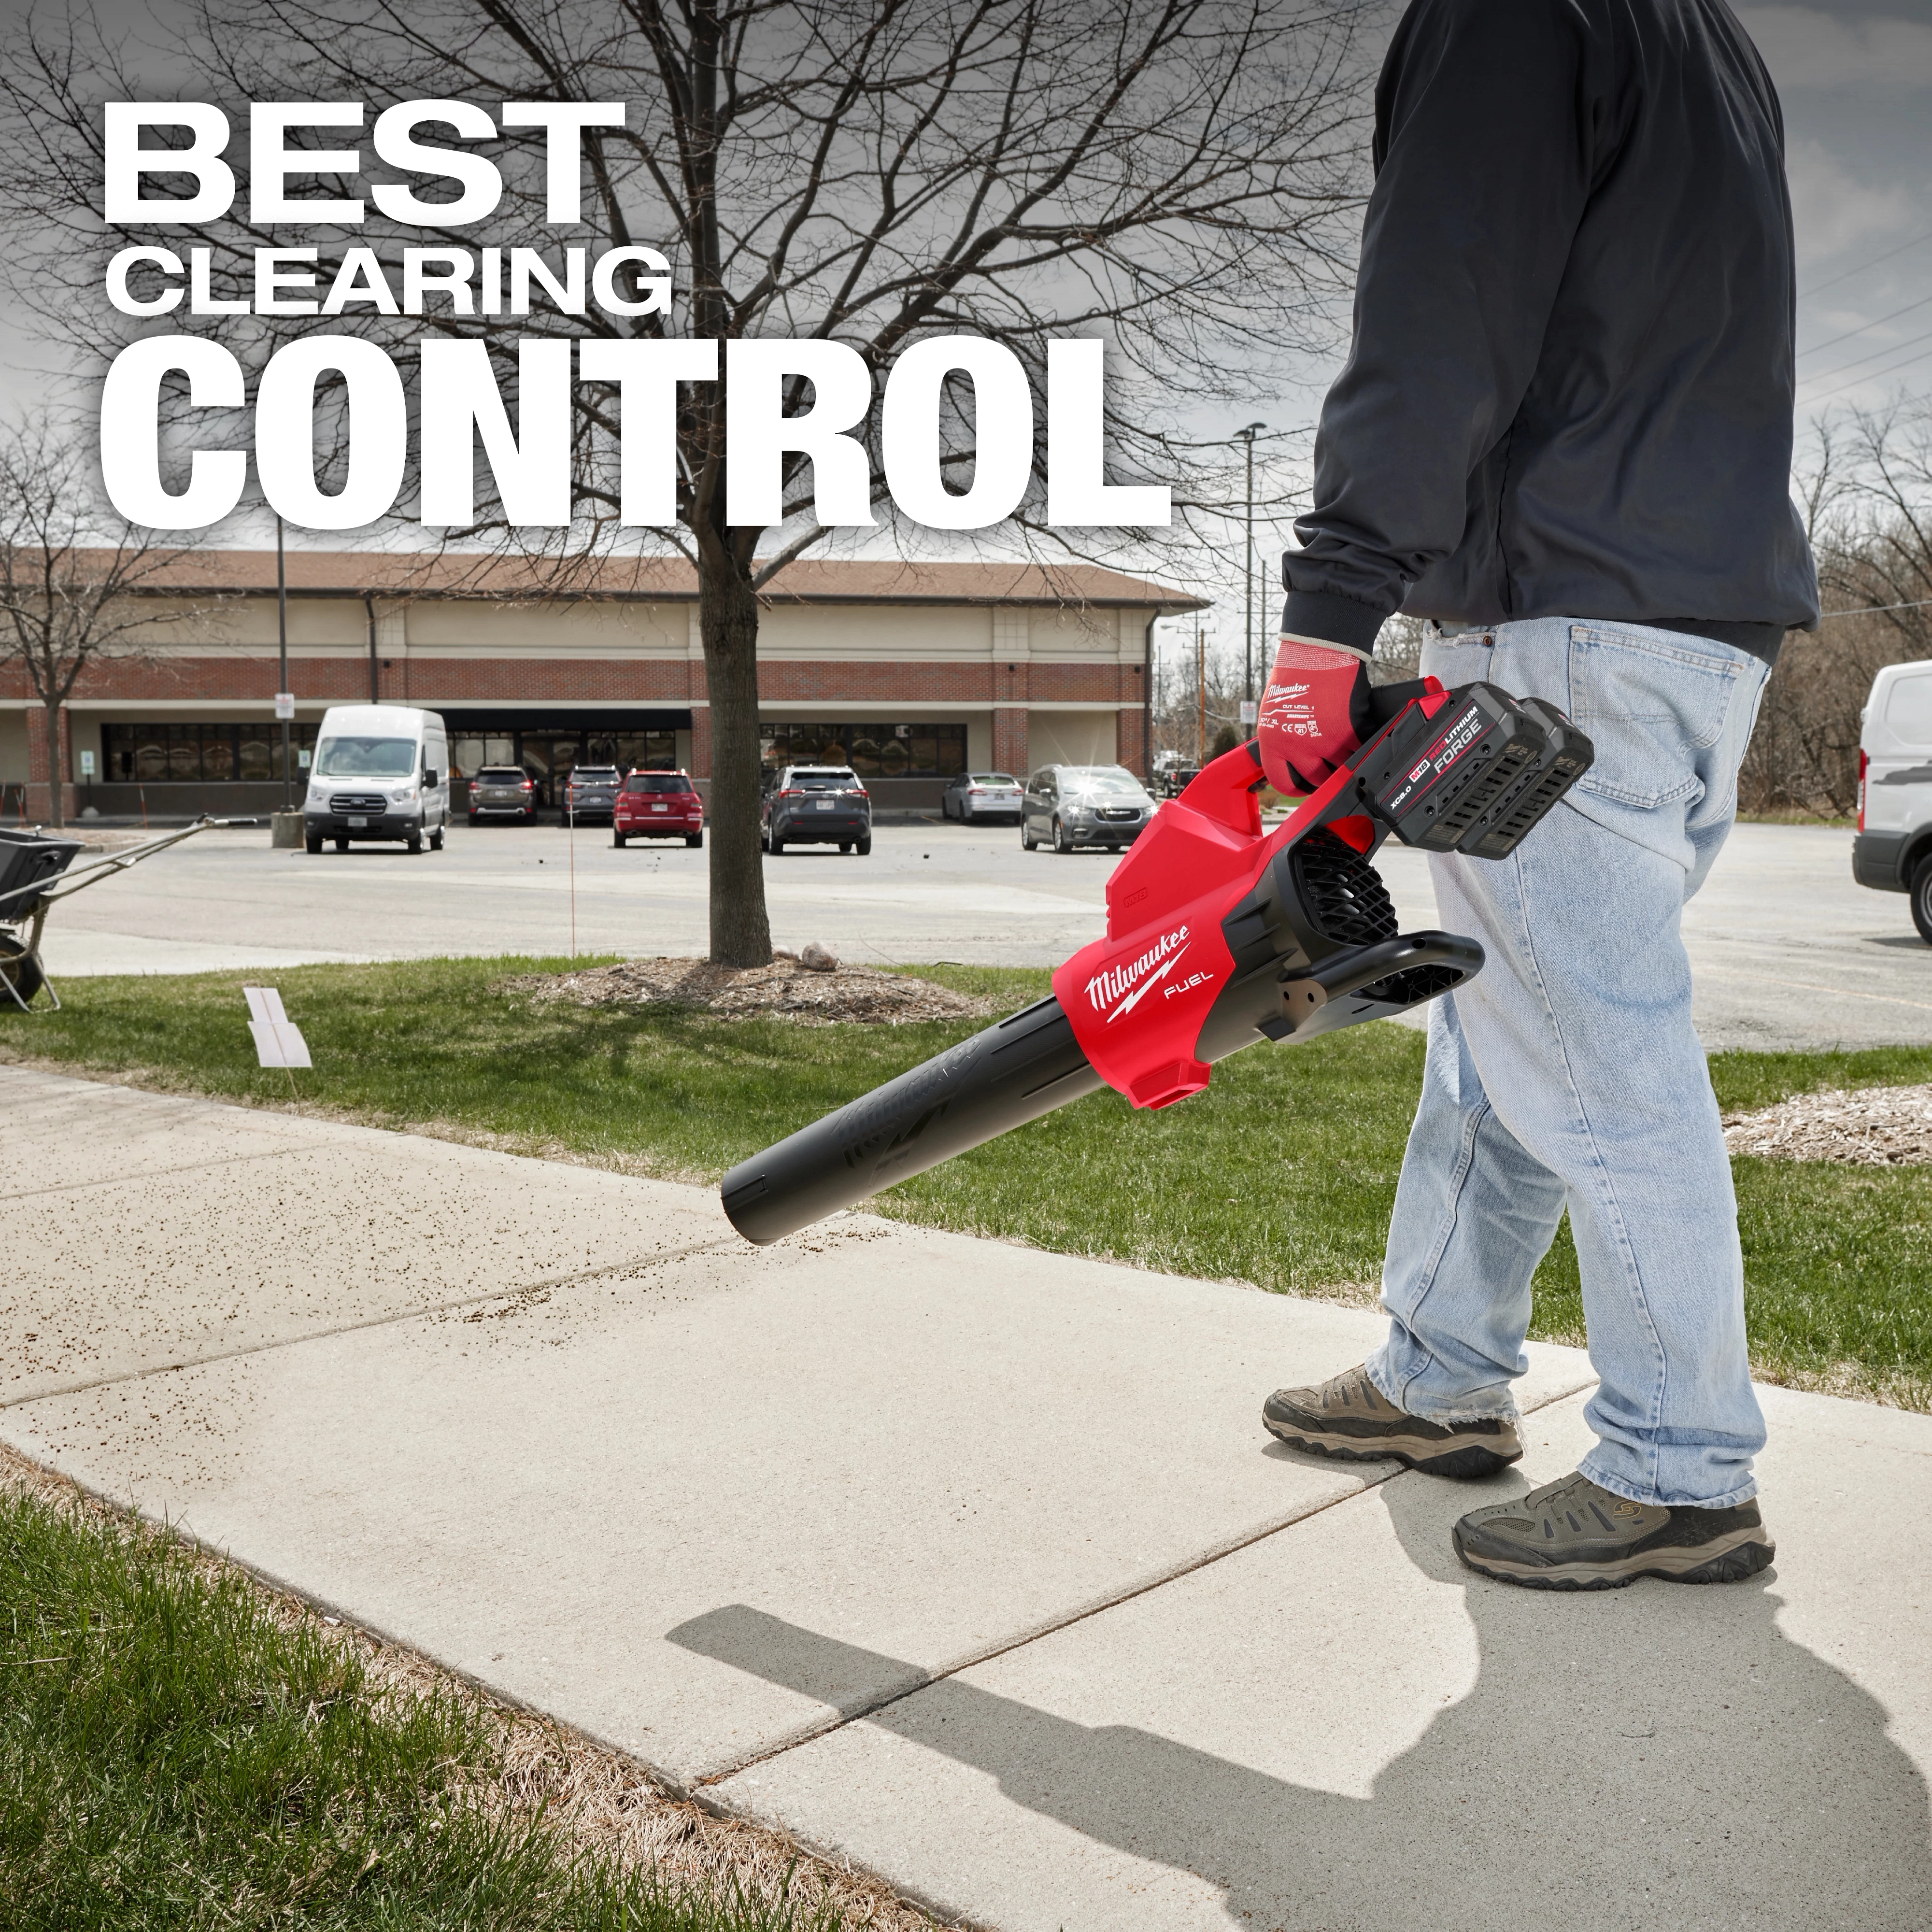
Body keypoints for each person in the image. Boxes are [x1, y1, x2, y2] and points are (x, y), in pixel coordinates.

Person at [1255, 0, 1818, 1590]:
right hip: (1691, 632)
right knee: (1514, 1025)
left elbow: (1441, 310)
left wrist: (1331, 610)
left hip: (1573, 634)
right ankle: (1439, 1376)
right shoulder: (1706, 41)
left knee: (1597, 1051)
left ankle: (1680, 1469)